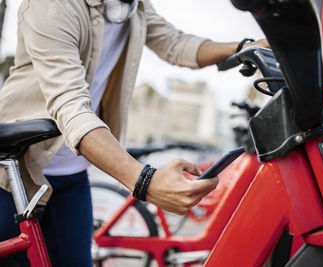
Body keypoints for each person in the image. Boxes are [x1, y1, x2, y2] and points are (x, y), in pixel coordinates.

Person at [0, 0, 268, 266]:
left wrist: (246, 47)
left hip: (72, 172)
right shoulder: (53, 4)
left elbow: (175, 44)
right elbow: (70, 105)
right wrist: (145, 182)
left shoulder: (134, 5)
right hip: (16, 169)